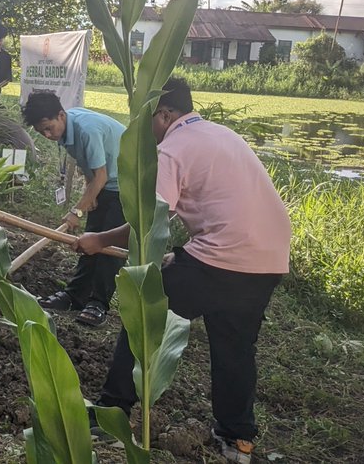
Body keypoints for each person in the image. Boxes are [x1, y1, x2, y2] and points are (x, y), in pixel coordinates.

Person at [76, 78, 290, 464]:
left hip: (222, 257)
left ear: (165, 115)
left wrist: (97, 239)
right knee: (236, 348)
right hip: (268, 259)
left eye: (147, 121)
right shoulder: (219, 134)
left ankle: (112, 411)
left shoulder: (174, 147)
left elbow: (150, 220)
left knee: (143, 315)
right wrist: (184, 256)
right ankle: (236, 438)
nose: (145, 133)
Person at [22, 91, 125, 327]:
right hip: (107, 183)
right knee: (90, 241)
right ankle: (75, 296)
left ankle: (98, 304)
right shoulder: (66, 128)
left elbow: (101, 175)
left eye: (49, 128)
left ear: (61, 114)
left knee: (107, 245)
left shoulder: (86, 129)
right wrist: (90, 191)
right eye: (41, 132)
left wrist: (77, 211)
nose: (48, 135)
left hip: (128, 185)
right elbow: (89, 166)